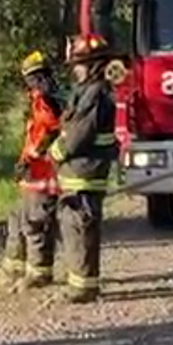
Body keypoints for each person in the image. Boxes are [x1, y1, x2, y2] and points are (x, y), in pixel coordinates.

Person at [40, 33, 118, 304]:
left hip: (85, 175)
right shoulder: (89, 92)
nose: (75, 70)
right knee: (76, 230)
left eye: (79, 64)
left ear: (94, 65)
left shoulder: (95, 94)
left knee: (79, 229)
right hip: (80, 174)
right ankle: (81, 285)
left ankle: (82, 289)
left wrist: (55, 153)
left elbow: (78, 134)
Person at [3, 50, 63, 287]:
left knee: (36, 222)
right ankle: (16, 270)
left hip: (42, 173)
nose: (30, 84)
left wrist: (31, 157)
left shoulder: (46, 100)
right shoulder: (43, 99)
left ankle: (39, 274)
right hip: (33, 172)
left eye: (32, 78)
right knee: (20, 219)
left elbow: (51, 131)